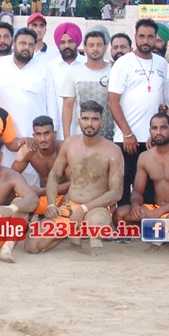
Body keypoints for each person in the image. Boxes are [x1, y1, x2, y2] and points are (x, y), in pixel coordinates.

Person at [39, 102, 124, 256]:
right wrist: (51, 204)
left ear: (102, 122)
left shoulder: (113, 150)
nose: (89, 124)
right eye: (85, 119)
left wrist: (83, 209)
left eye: (94, 119)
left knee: (97, 223)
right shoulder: (69, 144)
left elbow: (116, 193)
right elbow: (54, 174)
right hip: (70, 205)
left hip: (96, 207)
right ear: (79, 121)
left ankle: (94, 243)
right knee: (33, 245)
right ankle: (68, 233)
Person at [108, 19, 169, 208]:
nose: (145, 40)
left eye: (150, 37)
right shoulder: (123, 63)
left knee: (150, 189)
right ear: (135, 37)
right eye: (141, 36)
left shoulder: (162, 64)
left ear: (155, 38)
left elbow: (165, 102)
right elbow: (113, 101)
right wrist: (128, 134)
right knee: (124, 188)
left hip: (153, 140)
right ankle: (123, 223)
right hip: (127, 139)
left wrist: (160, 129)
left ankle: (148, 222)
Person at [114, 112, 169, 232]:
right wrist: (135, 205)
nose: (158, 132)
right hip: (156, 208)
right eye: (154, 128)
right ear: (150, 131)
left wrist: (160, 212)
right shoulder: (145, 157)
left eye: (163, 128)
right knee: (119, 214)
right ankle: (156, 231)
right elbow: (137, 191)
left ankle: (165, 234)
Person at [12, 116, 66, 251]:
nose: (42, 139)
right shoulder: (29, 150)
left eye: (46, 134)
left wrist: (41, 191)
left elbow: (74, 184)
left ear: (54, 134)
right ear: (33, 135)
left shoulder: (64, 149)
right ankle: (11, 242)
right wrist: (27, 190)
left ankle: (59, 227)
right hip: (43, 199)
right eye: (38, 134)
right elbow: (12, 176)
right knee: (17, 201)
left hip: (64, 199)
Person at [59, 27, 113, 140]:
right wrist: (67, 138)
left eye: (99, 45)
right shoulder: (74, 73)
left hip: (111, 136)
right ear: (85, 48)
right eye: (91, 45)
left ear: (105, 47)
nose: (95, 49)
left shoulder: (114, 70)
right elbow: (67, 107)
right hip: (81, 138)